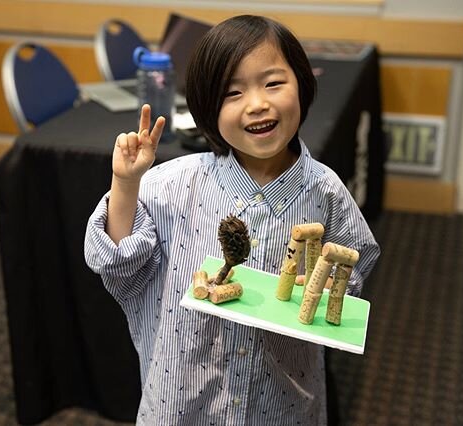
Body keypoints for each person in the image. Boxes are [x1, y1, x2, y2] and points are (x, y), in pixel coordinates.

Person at [85, 14, 380, 425]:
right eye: (232, 93)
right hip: (186, 395)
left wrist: (334, 285)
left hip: (279, 397)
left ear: (303, 84)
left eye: (273, 83)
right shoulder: (171, 185)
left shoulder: (326, 191)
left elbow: (352, 271)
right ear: (207, 107)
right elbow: (121, 266)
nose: (257, 103)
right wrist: (125, 184)